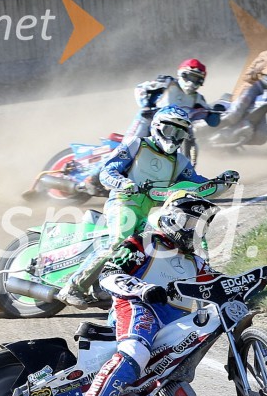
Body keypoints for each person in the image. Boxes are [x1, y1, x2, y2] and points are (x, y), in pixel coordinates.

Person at [66, 191, 221, 396]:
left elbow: (218, 286)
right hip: (138, 307)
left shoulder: (197, 262)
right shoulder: (144, 243)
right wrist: (142, 289)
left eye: (200, 225)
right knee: (135, 351)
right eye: (189, 222)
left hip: (171, 325)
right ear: (171, 218)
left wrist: (256, 278)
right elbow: (109, 274)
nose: (194, 231)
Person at [56, 105, 238, 308]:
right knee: (120, 239)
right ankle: (73, 288)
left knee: (163, 245)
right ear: (157, 127)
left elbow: (198, 187)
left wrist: (222, 182)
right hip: (123, 202)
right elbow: (107, 172)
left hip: (149, 211)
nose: (174, 137)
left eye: (180, 133)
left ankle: (117, 287)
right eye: (170, 130)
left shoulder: (180, 161)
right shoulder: (137, 145)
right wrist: (124, 183)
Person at [124, 58, 221, 139]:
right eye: (191, 77)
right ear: (182, 74)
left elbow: (212, 120)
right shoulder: (166, 83)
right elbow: (140, 88)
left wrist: (217, 112)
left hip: (176, 131)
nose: (192, 83)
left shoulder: (198, 99)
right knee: (132, 142)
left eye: (197, 79)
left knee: (190, 142)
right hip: (149, 121)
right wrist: (145, 106)